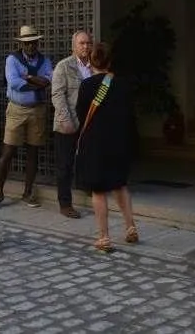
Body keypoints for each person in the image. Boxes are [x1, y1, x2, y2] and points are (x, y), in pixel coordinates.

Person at [74, 42, 140, 253]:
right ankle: (130, 226)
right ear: (110, 62)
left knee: (99, 191)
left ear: (91, 62)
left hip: (96, 144)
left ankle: (104, 237)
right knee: (120, 184)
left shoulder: (86, 86)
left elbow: (81, 114)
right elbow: (130, 115)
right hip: (119, 142)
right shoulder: (122, 84)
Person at [0, 25, 53, 207]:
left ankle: (27, 193)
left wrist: (28, 77)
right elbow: (13, 83)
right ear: (22, 44)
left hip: (38, 109)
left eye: (33, 42)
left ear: (38, 42)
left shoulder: (45, 60)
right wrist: (37, 82)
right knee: (8, 151)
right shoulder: (12, 59)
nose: (30, 46)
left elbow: (49, 81)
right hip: (17, 109)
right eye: (27, 43)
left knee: (33, 152)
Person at [50, 31, 93, 219]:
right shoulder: (64, 66)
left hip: (88, 123)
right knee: (65, 164)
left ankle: (88, 187)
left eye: (88, 43)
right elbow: (58, 95)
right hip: (67, 123)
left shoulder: (94, 67)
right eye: (82, 43)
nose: (86, 46)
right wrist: (66, 120)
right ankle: (65, 203)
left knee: (87, 159)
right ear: (74, 46)